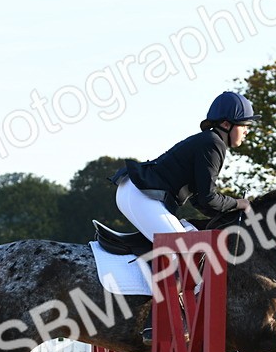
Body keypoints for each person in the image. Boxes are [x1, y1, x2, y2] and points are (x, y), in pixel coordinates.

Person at [109, 90, 257, 241]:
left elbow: (200, 200)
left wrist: (229, 211)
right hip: (141, 195)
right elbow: (209, 198)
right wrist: (239, 203)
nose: (246, 131)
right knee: (184, 248)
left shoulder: (209, 141)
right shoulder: (213, 144)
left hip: (136, 192)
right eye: (244, 125)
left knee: (191, 237)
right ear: (226, 124)